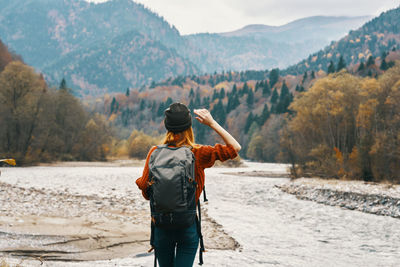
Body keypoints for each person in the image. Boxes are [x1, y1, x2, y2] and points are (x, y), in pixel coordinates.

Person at [136, 102, 241, 267]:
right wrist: (212, 123)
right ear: (189, 127)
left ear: (167, 126)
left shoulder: (154, 153)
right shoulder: (198, 153)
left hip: (161, 227)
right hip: (187, 226)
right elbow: (235, 147)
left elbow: (146, 191)